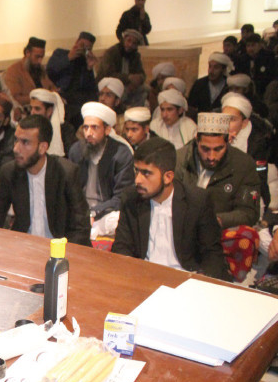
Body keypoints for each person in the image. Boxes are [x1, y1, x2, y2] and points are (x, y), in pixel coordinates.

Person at [112, 137, 231, 281]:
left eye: (146, 173)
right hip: (142, 277)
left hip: (185, 280)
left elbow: (212, 253)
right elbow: (121, 247)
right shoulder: (131, 198)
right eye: (136, 171)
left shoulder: (197, 201)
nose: (138, 180)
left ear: (168, 177)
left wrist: (202, 281)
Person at [0, 114, 91, 245]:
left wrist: (61, 255)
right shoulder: (10, 172)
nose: (16, 149)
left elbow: (81, 227)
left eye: (25, 142)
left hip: (60, 249)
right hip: (24, 247)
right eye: (16, 140)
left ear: (42, 147)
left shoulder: (66, 172)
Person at [175, 113, 260, 228]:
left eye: (218, 149)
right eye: (205, 149)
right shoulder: (179, 160)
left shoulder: (243, 165)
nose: (211, 157)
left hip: (220, 230)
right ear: (197, 141)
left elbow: (249, 212)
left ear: (228, 141)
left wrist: (216, 220)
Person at [68, 102, 135, 236]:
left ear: (107, 130)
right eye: (85, 127)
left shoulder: (121, 154)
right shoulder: (76, 150)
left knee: (117, 222)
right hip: (81, 211)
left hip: (107, 212)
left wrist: (95, 212)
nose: (88, 133)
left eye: (94, 128)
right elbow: (70, 189)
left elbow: (122, 197)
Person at [221, 92, 275, 208]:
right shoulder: (216, 136)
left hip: (248, 194)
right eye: (223, 118)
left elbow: (259, 176)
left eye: (232, 119)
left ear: (244, 122)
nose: (226, 123)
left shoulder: (259, 142)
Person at [47, 31, 99, 129]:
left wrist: (89, 68)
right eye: (82, 45)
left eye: (87, 48)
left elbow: (91, 88)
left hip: (79, 100)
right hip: (61, 95)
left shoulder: (85, 62)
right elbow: (50, 70)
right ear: (76, 42)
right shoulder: (60, 53)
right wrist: (69, 58)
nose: (83, 50)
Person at [96, 29, 147, 109]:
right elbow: (109, 74)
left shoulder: (135, 56)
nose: (130, 45)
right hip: (109, 86)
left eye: (134, 43)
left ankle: (135, 113)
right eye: (128, 41)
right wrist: (128, 78)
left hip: (128, 85)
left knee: (144, 89)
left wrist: (138, 79)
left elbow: (142, 74)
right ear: (123, 40)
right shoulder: (111, 52)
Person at [3, 36, 55, 107]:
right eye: (37, 57)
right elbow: (14, 98)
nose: (40, 61)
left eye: (41, 57)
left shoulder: (40, 69)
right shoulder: (13, 71)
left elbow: (51, 87)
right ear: (27, 53)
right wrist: (39, 98)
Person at [29, 88, 76, 157]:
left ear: (49, 111)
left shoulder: (66, 130)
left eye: (37, 109)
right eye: (31, 108)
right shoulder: (27, 128)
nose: (32, 112)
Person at [187, 52, 232, 117]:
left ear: (223, 69)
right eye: (210, 66)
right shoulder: (199, 84)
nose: (211, 71)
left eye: (216, 67)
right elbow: (191, 106)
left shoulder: (229, 86)